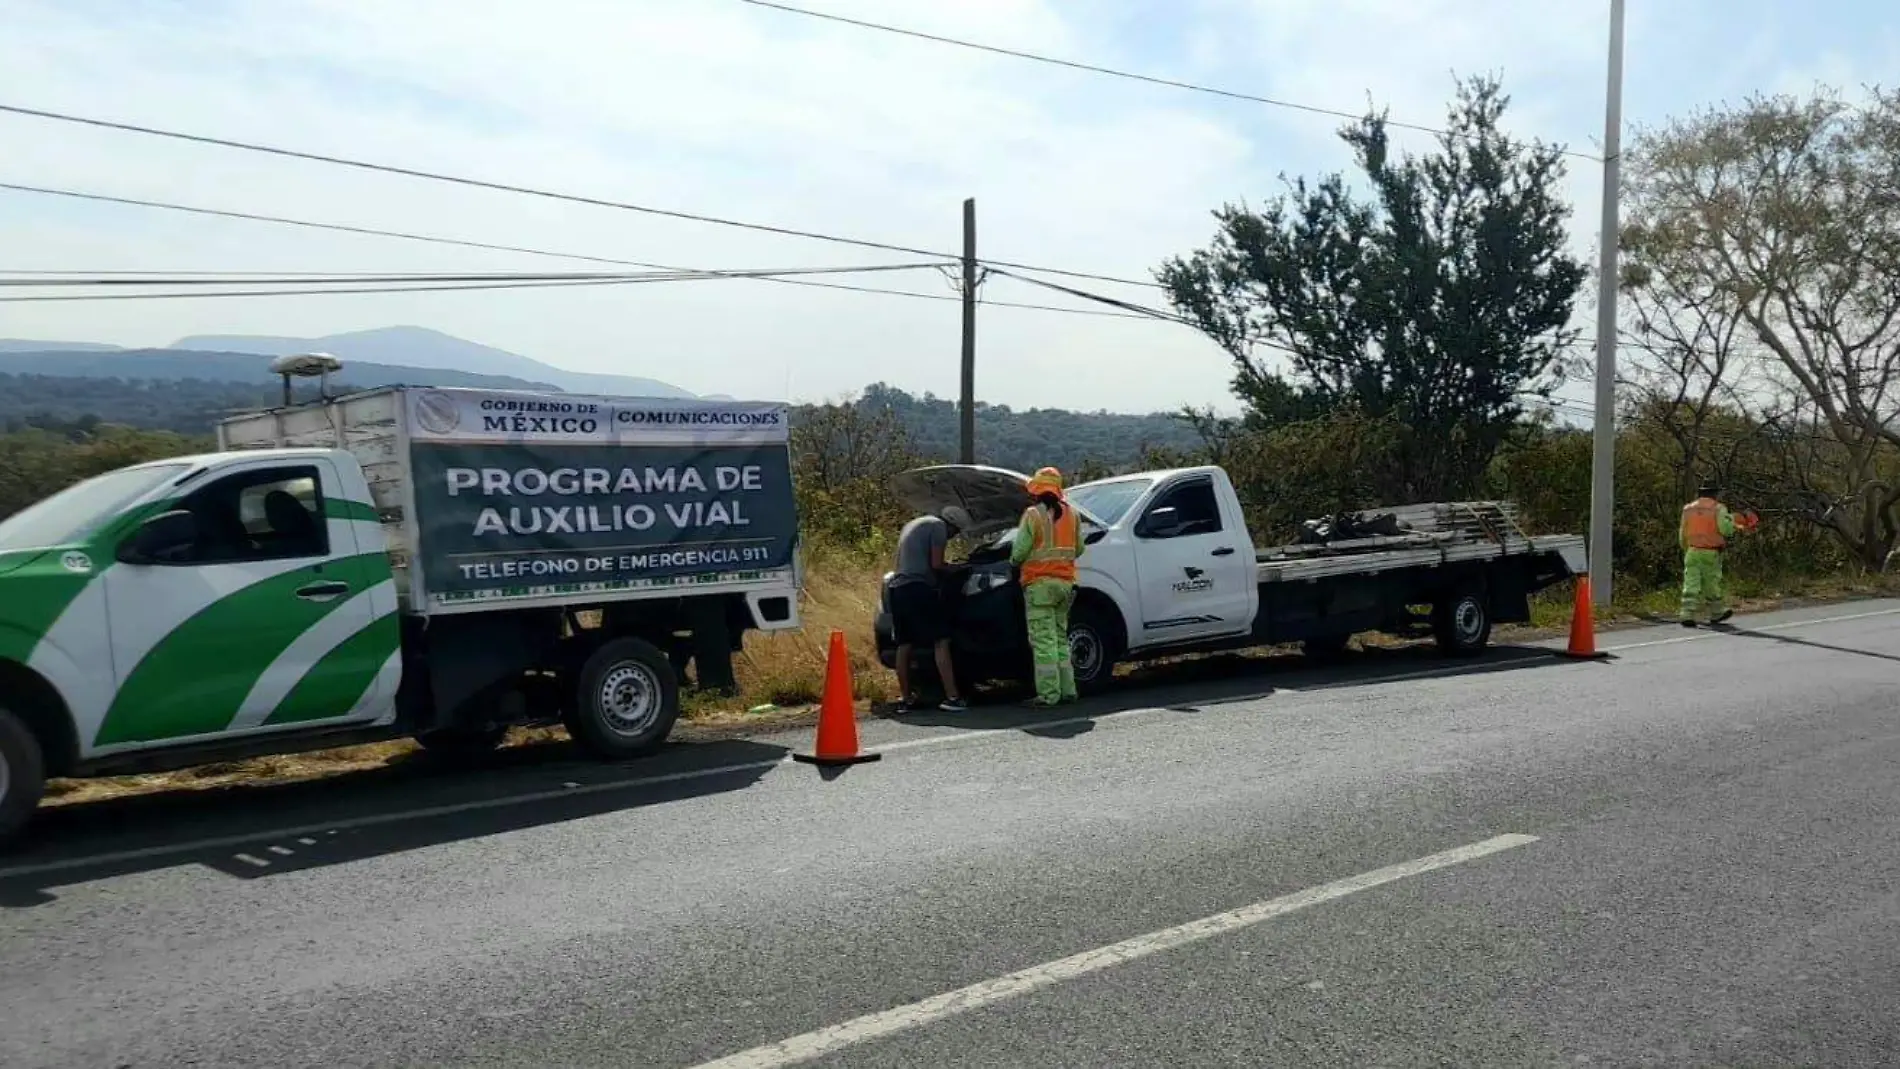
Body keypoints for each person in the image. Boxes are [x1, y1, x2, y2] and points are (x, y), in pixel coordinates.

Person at [1011, 467, 1084, 707]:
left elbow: (1020, 551)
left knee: (1043, 642)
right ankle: (1068, 690)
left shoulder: (1033, 515)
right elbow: (1079, 548)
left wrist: (1013, 563)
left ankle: (1048, 695)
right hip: (1065, 584)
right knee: (1060, 638)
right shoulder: (1073, 515)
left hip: (1039, 586)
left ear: (1036, 490)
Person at [889, 505, 972, 711]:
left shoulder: (916, 522)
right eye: (956, 533)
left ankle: (906, 699)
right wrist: (957, 568)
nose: (952, 537)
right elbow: (936, 564)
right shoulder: (938, 527)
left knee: (905, 644)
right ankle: (952, 697)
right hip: (918, 588)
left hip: (898, 588)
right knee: (941, 640)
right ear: (953, 526)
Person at [1679, 481, 1749, 627]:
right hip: (1710, 552)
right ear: (1714, 494)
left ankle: (1687, 613)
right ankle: (1717, 612)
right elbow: (1725, 530)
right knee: (1711, 583)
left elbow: (1682, 533)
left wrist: (1686, 548)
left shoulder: (1688, 509)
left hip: (1692, 551)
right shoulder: (1718, 509)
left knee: (1691, 582)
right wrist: (1734, 524)